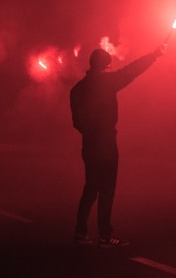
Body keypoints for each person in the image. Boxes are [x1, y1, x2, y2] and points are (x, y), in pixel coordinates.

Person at [70, 44, 165, 248]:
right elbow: (132, 70)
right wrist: (153, 55)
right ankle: (105, 236)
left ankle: (80, 232)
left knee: (90, 187)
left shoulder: (77, 89)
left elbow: (77, 122)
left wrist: (90, 131)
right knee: (107, 189)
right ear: (106, 66)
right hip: (106, 143)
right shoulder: (108, 82)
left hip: (89, 143)